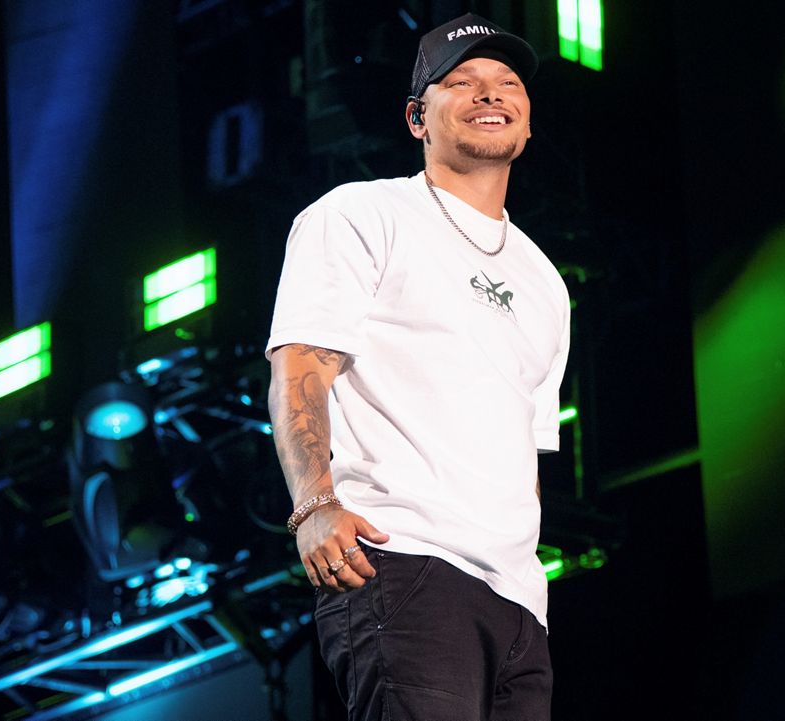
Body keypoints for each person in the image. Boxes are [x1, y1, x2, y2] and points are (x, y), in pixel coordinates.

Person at [266, 12, 569, 721]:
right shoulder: (363, 214)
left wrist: (530, 587)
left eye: (506, 83)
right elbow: (301, 362)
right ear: (416, 119)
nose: (488, 94)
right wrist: (313, 504)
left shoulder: (545, 280)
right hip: (403, 563)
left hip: (520, 606)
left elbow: (525, 445)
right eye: (460, 82)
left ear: (525, 122)